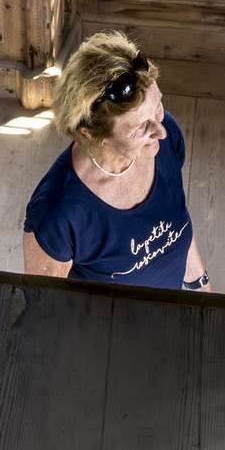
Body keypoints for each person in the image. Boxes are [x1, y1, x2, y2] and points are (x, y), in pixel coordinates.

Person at [22, 31, 210, 292]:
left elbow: (175, 228)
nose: (162, 130)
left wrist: (199, 285)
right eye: (141, 127)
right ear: (93, 135)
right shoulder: (58, 213)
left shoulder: (164, 138)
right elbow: (42, 307)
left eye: (158, 106)